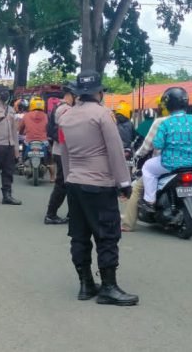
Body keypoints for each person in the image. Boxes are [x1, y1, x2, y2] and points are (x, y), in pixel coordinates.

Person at [58, 71, 137, 306]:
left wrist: (68, 177)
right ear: (99, 92)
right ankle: (109, 288)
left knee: (79, 236)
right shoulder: (103, 115)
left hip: (74, 183)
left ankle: (85, 285)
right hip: (99, 184)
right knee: (107, 235)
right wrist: (124, 182)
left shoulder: (65, 116)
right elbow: (115, 150)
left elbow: (64, 151)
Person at [142, 87, 192, 208]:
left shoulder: (165, 123)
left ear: (168, 104)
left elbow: (157, 144)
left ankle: (150, 200)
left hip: (170, 163)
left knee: (147, 169)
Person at [122, 97, 168, 232]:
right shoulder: (191, 120)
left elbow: (146, 145)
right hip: (189, 163)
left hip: (161, 162)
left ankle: (128, 223)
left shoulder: (159, 122)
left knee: (137, 188)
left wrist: (137, 155)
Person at [44, 85, 75, 225]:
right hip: (63, 151)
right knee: (62, 184)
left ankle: (71, 213)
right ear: (71, 95)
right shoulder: (66, 109)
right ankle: (51, 214)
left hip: (60, 150)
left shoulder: (59, 107)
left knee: (67, 183)